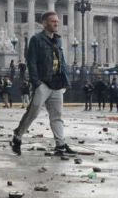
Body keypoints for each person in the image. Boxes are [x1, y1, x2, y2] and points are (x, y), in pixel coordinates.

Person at [10, 11, 75, 156]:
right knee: (33, 112)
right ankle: (18, 136)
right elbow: (31, 61)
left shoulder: (58, 40)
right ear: (45, 23)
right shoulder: (36, 39)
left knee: (57, 116)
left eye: (57, 21)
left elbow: (61, 61)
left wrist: (65, 81)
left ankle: (60, 145)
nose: (56, 24)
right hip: (43, 83)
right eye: (53, 21)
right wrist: (37, 82)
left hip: (57, 83)